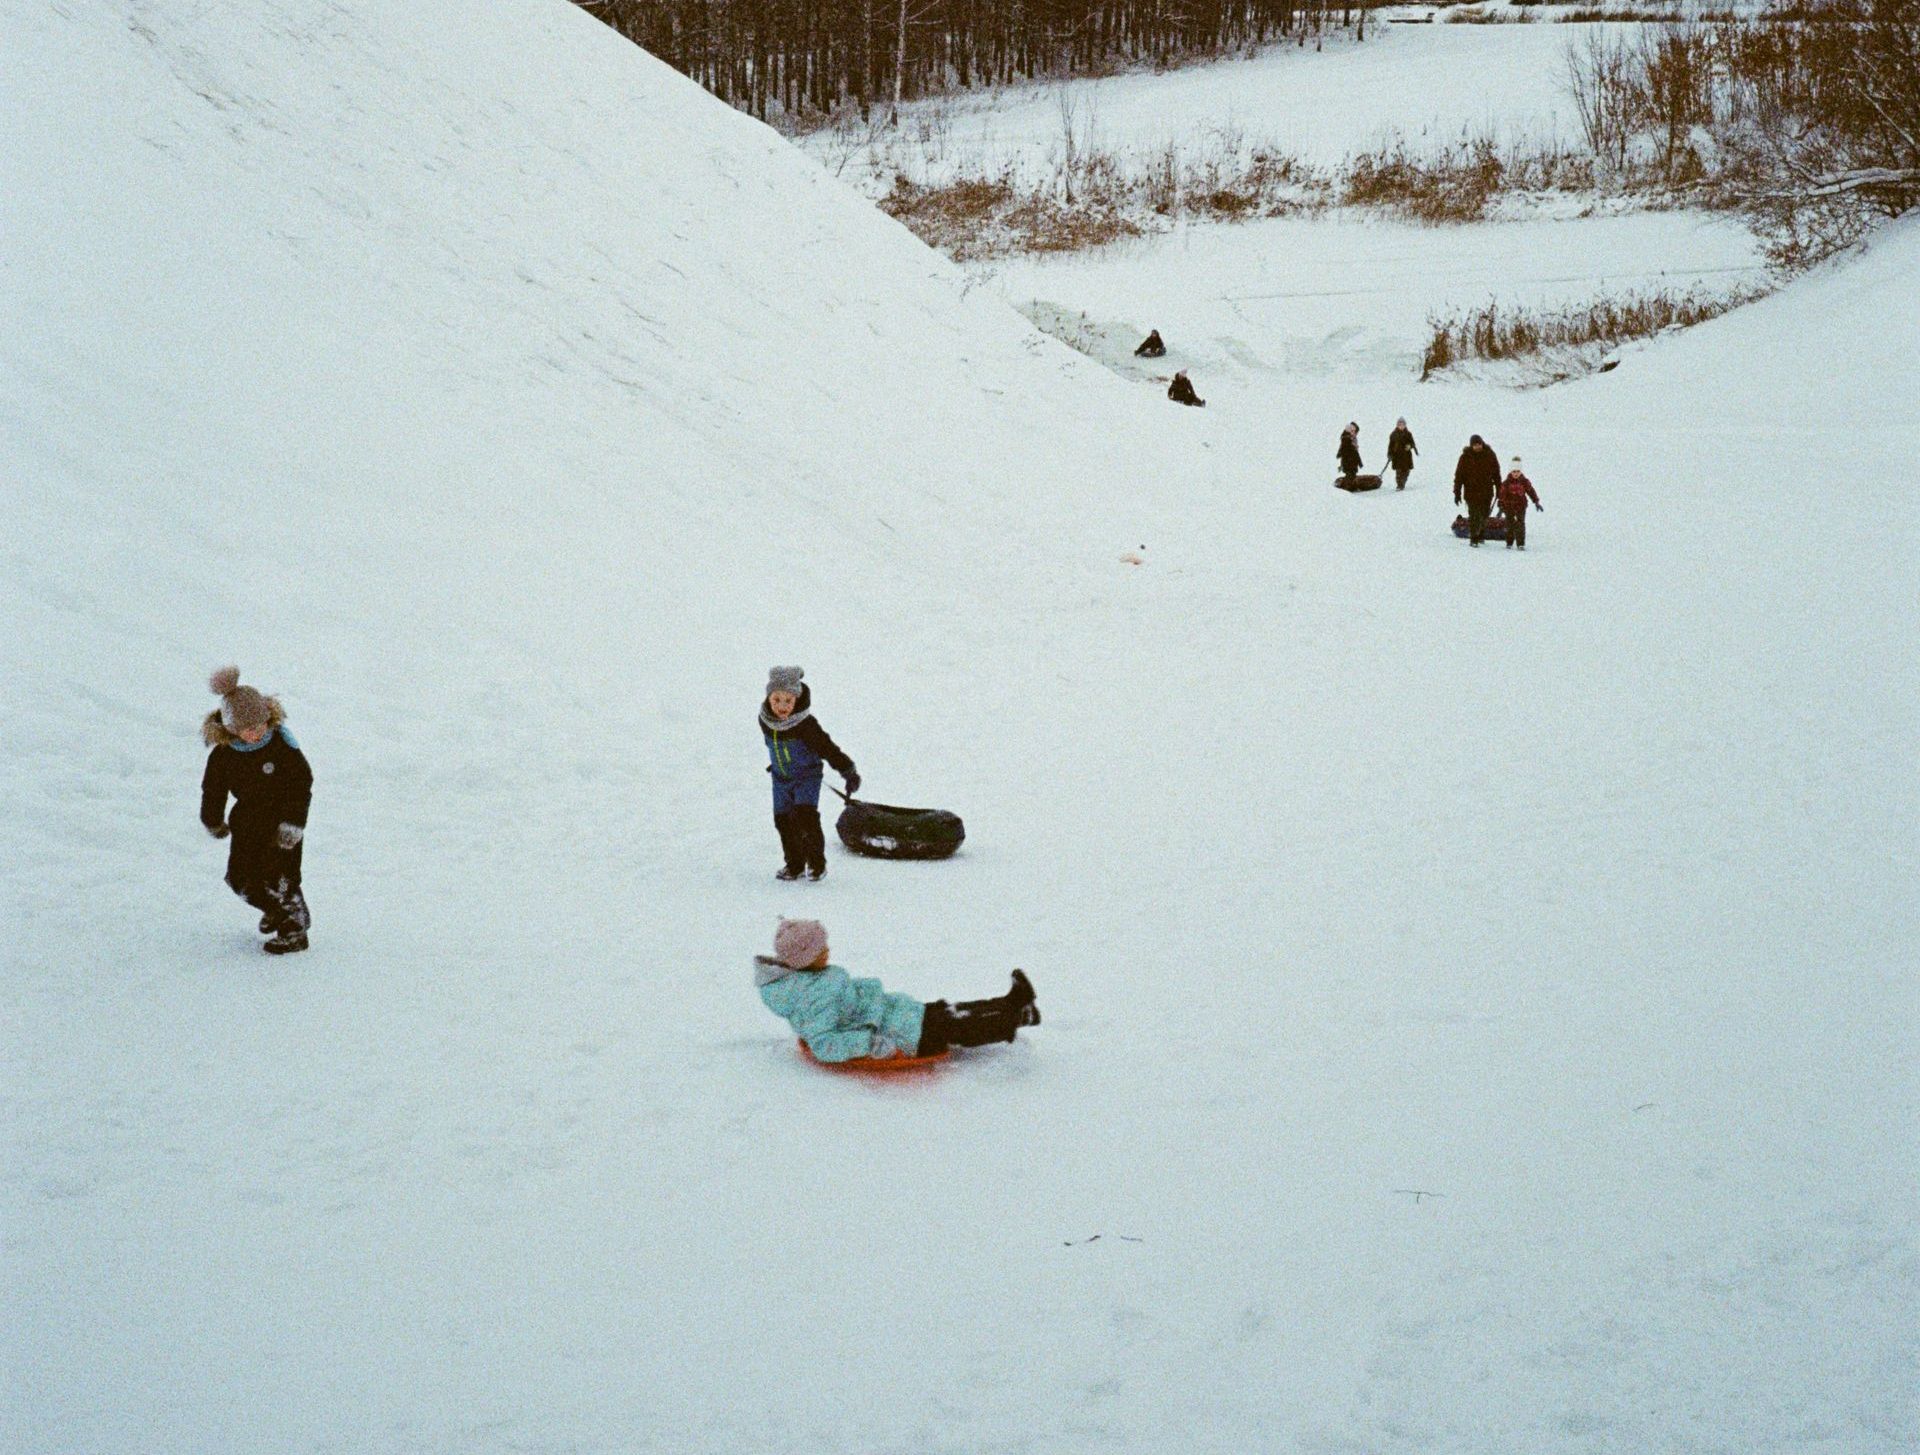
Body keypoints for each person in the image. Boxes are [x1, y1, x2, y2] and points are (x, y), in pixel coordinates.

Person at [754, 918, 1040, 1063]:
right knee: (956, 1026)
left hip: (892, 1014)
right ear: (804, 959)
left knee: (946, 1011)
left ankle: (1010, 1002)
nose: (828, 950)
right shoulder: (813, 999)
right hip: (895, 1035)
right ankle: (1016, 1017)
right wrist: (869, 1044)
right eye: (821, 949)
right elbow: (824, 1044)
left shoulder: (811, 980)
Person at [200, 666, 313, 955]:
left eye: (260, 724)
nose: (256, 732)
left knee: (280, 876)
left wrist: (294, 823)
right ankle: (275, 909)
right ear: (232, 729)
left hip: (281, 824)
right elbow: (213, 790)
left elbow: (301, 783)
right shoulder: (224, 755)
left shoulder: (281, 746)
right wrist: (213, 820)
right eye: (248, 729)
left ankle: (294, 929)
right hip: (247, 823)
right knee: (240, 878)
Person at [760, 666, 858, 881]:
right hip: (780, 779)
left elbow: (827, 748)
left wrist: (847, 770)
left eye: (788, 701)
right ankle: (794, 864)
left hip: (807, 777)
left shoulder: (806, 725)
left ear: (797, 699)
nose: (782, 707)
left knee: (806, 818)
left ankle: (816, 864)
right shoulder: (765, 721)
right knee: (783, 821)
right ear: (769, 697)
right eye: (777, 700)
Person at [1453, 434, 1501, 546]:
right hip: (1471, 493)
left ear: (1482, 443)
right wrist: (1457, 493)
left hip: (1487, 492)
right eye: (1475, 445)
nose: (1477, 447)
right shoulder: (1465, 457)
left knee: (1484, 515)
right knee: (1474, 516)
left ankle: (1481, 534)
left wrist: (1499, 489)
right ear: (1471, 446)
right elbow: (1459, 477)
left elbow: (1496, 474)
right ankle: (1474, 538)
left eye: (1479, 444)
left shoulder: (1490, 455)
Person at [1498, 457, 1542, 550]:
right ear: (1511, 472)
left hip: (1521, 506)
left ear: (1520, 472)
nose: (1516, 473)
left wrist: (1536, 502)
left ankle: (1520, 543)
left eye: (1518, 471)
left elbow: (1531, 491)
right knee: (1509, 524)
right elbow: (1502, 495)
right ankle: (1509, 542)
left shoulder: (1525, 482)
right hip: (1508, 506)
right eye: (1514, 471)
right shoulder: (1506, 483)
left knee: (1520, 524)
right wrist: (1501, 507)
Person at [1387, 418, 1418, 489]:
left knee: (1406, 471)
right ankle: (1399, 485)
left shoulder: (1408, 434)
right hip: (1397, 456)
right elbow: (1390, 446)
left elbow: (1413, 443)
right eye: (1399, 424)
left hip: (1406, 456)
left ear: (1405, 425)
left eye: (1402, 424)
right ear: (1397, 425)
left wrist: (1410, 446)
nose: (1401, 426)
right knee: (1399, 471)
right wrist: (1389, 454)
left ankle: (1403, 482)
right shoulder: (1393, 435)